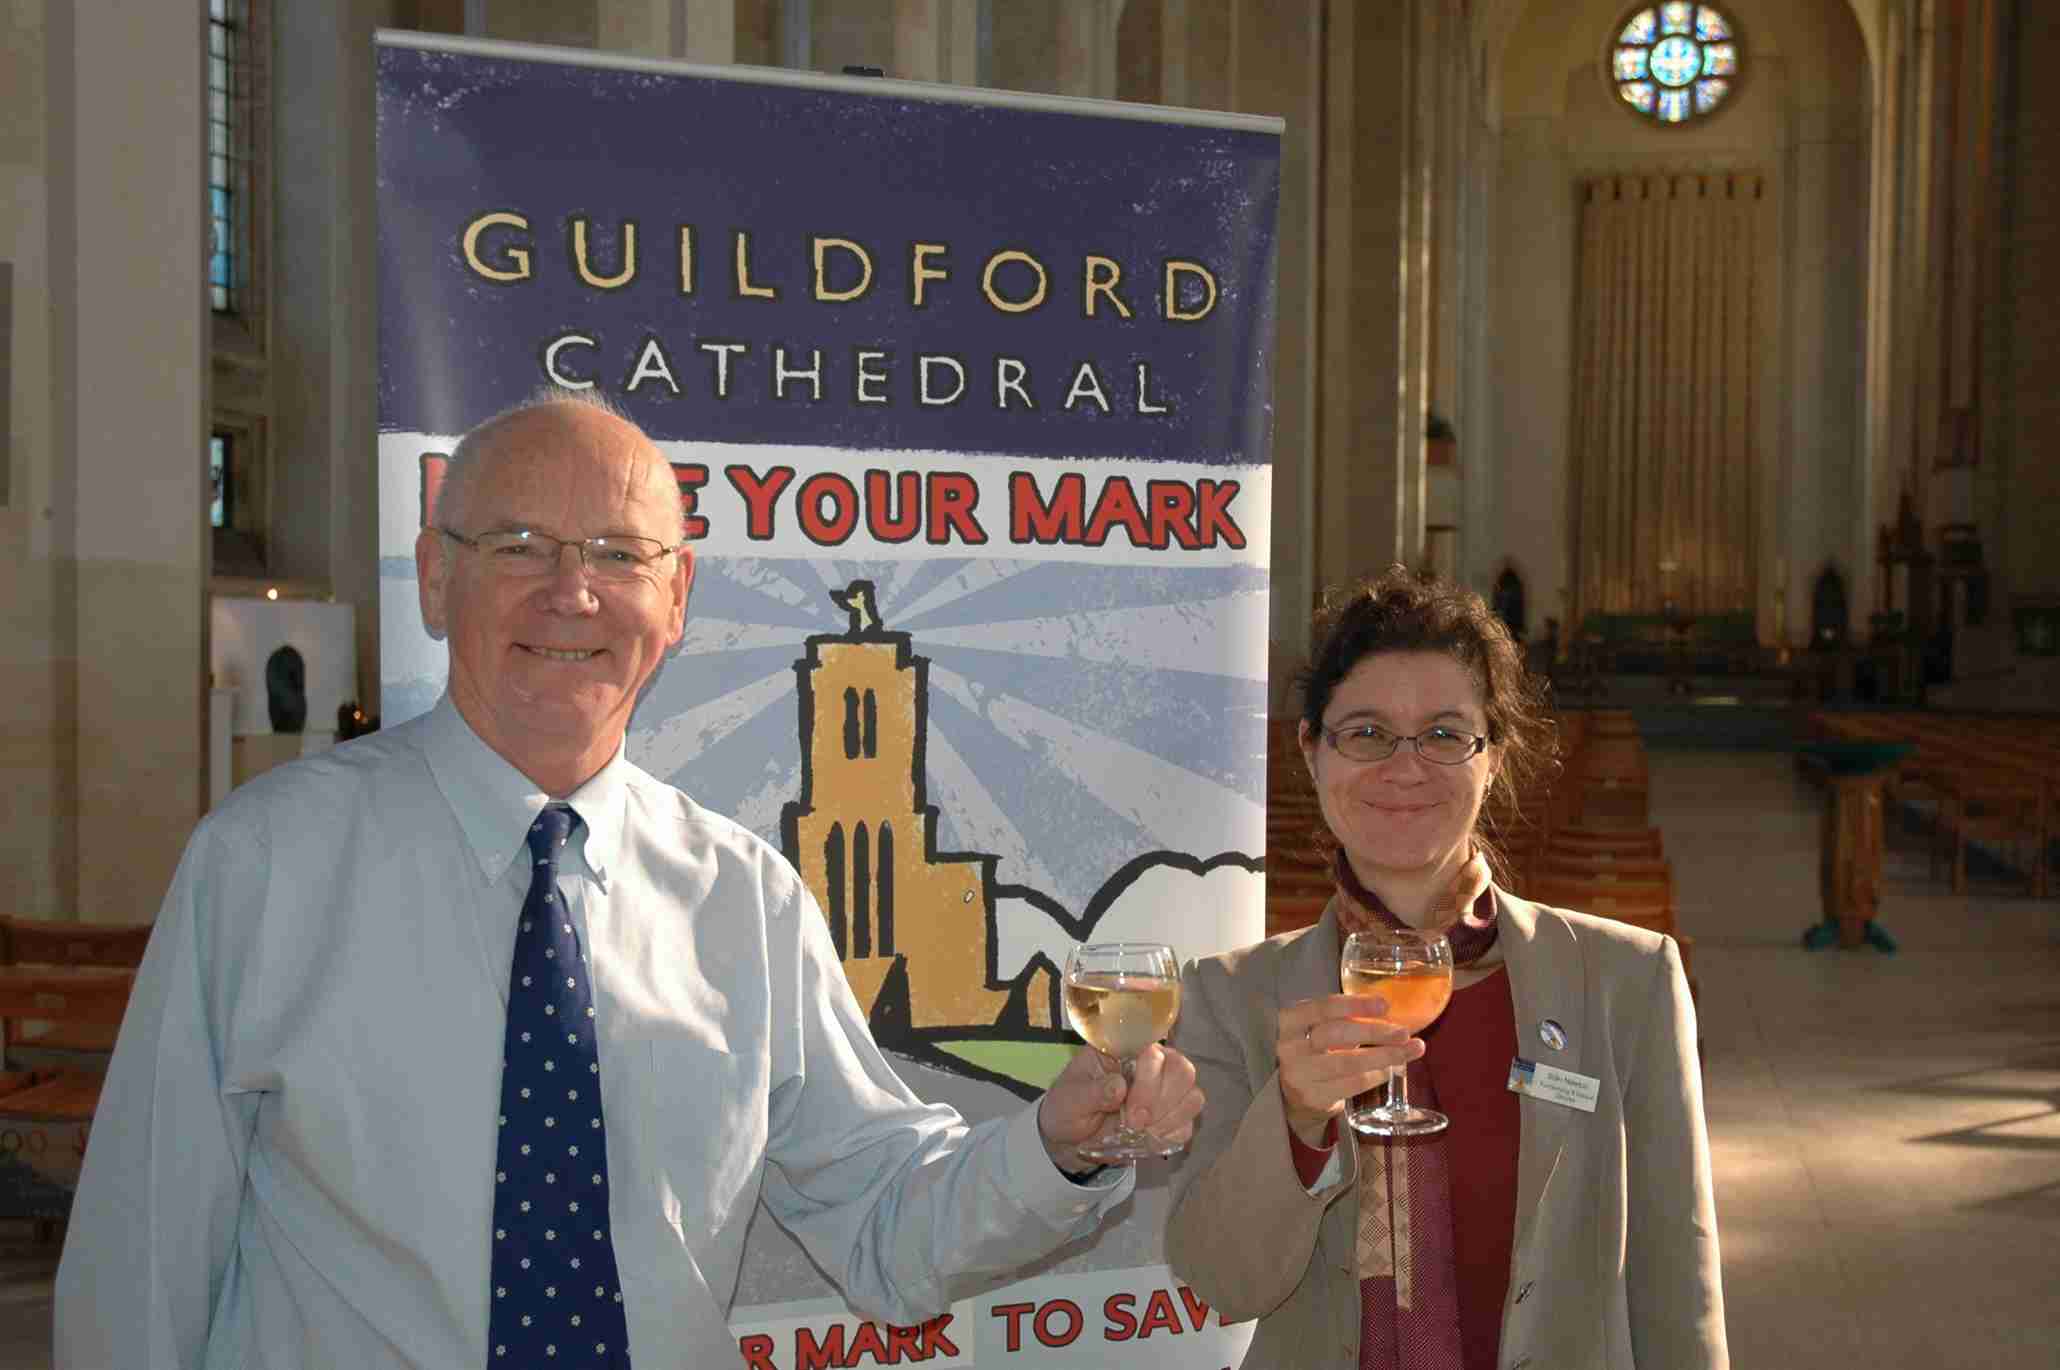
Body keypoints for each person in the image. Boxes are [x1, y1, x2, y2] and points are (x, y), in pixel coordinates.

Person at [55, 392, 1201, 1368]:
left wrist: (1059, 1141)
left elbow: (888, 1228)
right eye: (516, 543)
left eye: (617, 552)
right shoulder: (267, 862)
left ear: (677, 597)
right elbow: (144, 1261)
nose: (573, 590)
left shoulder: (743, 900)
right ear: (435, 580)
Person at [1165, 567, 1725, 1370]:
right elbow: (1225, 1283)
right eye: (1364, 733)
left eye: (1444, 734)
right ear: (1311, 751)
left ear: (1492, 756)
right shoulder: (1226, 996)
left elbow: (1679, 1277)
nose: (1405, 768)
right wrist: (1290, 1117)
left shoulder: (1625, 980)